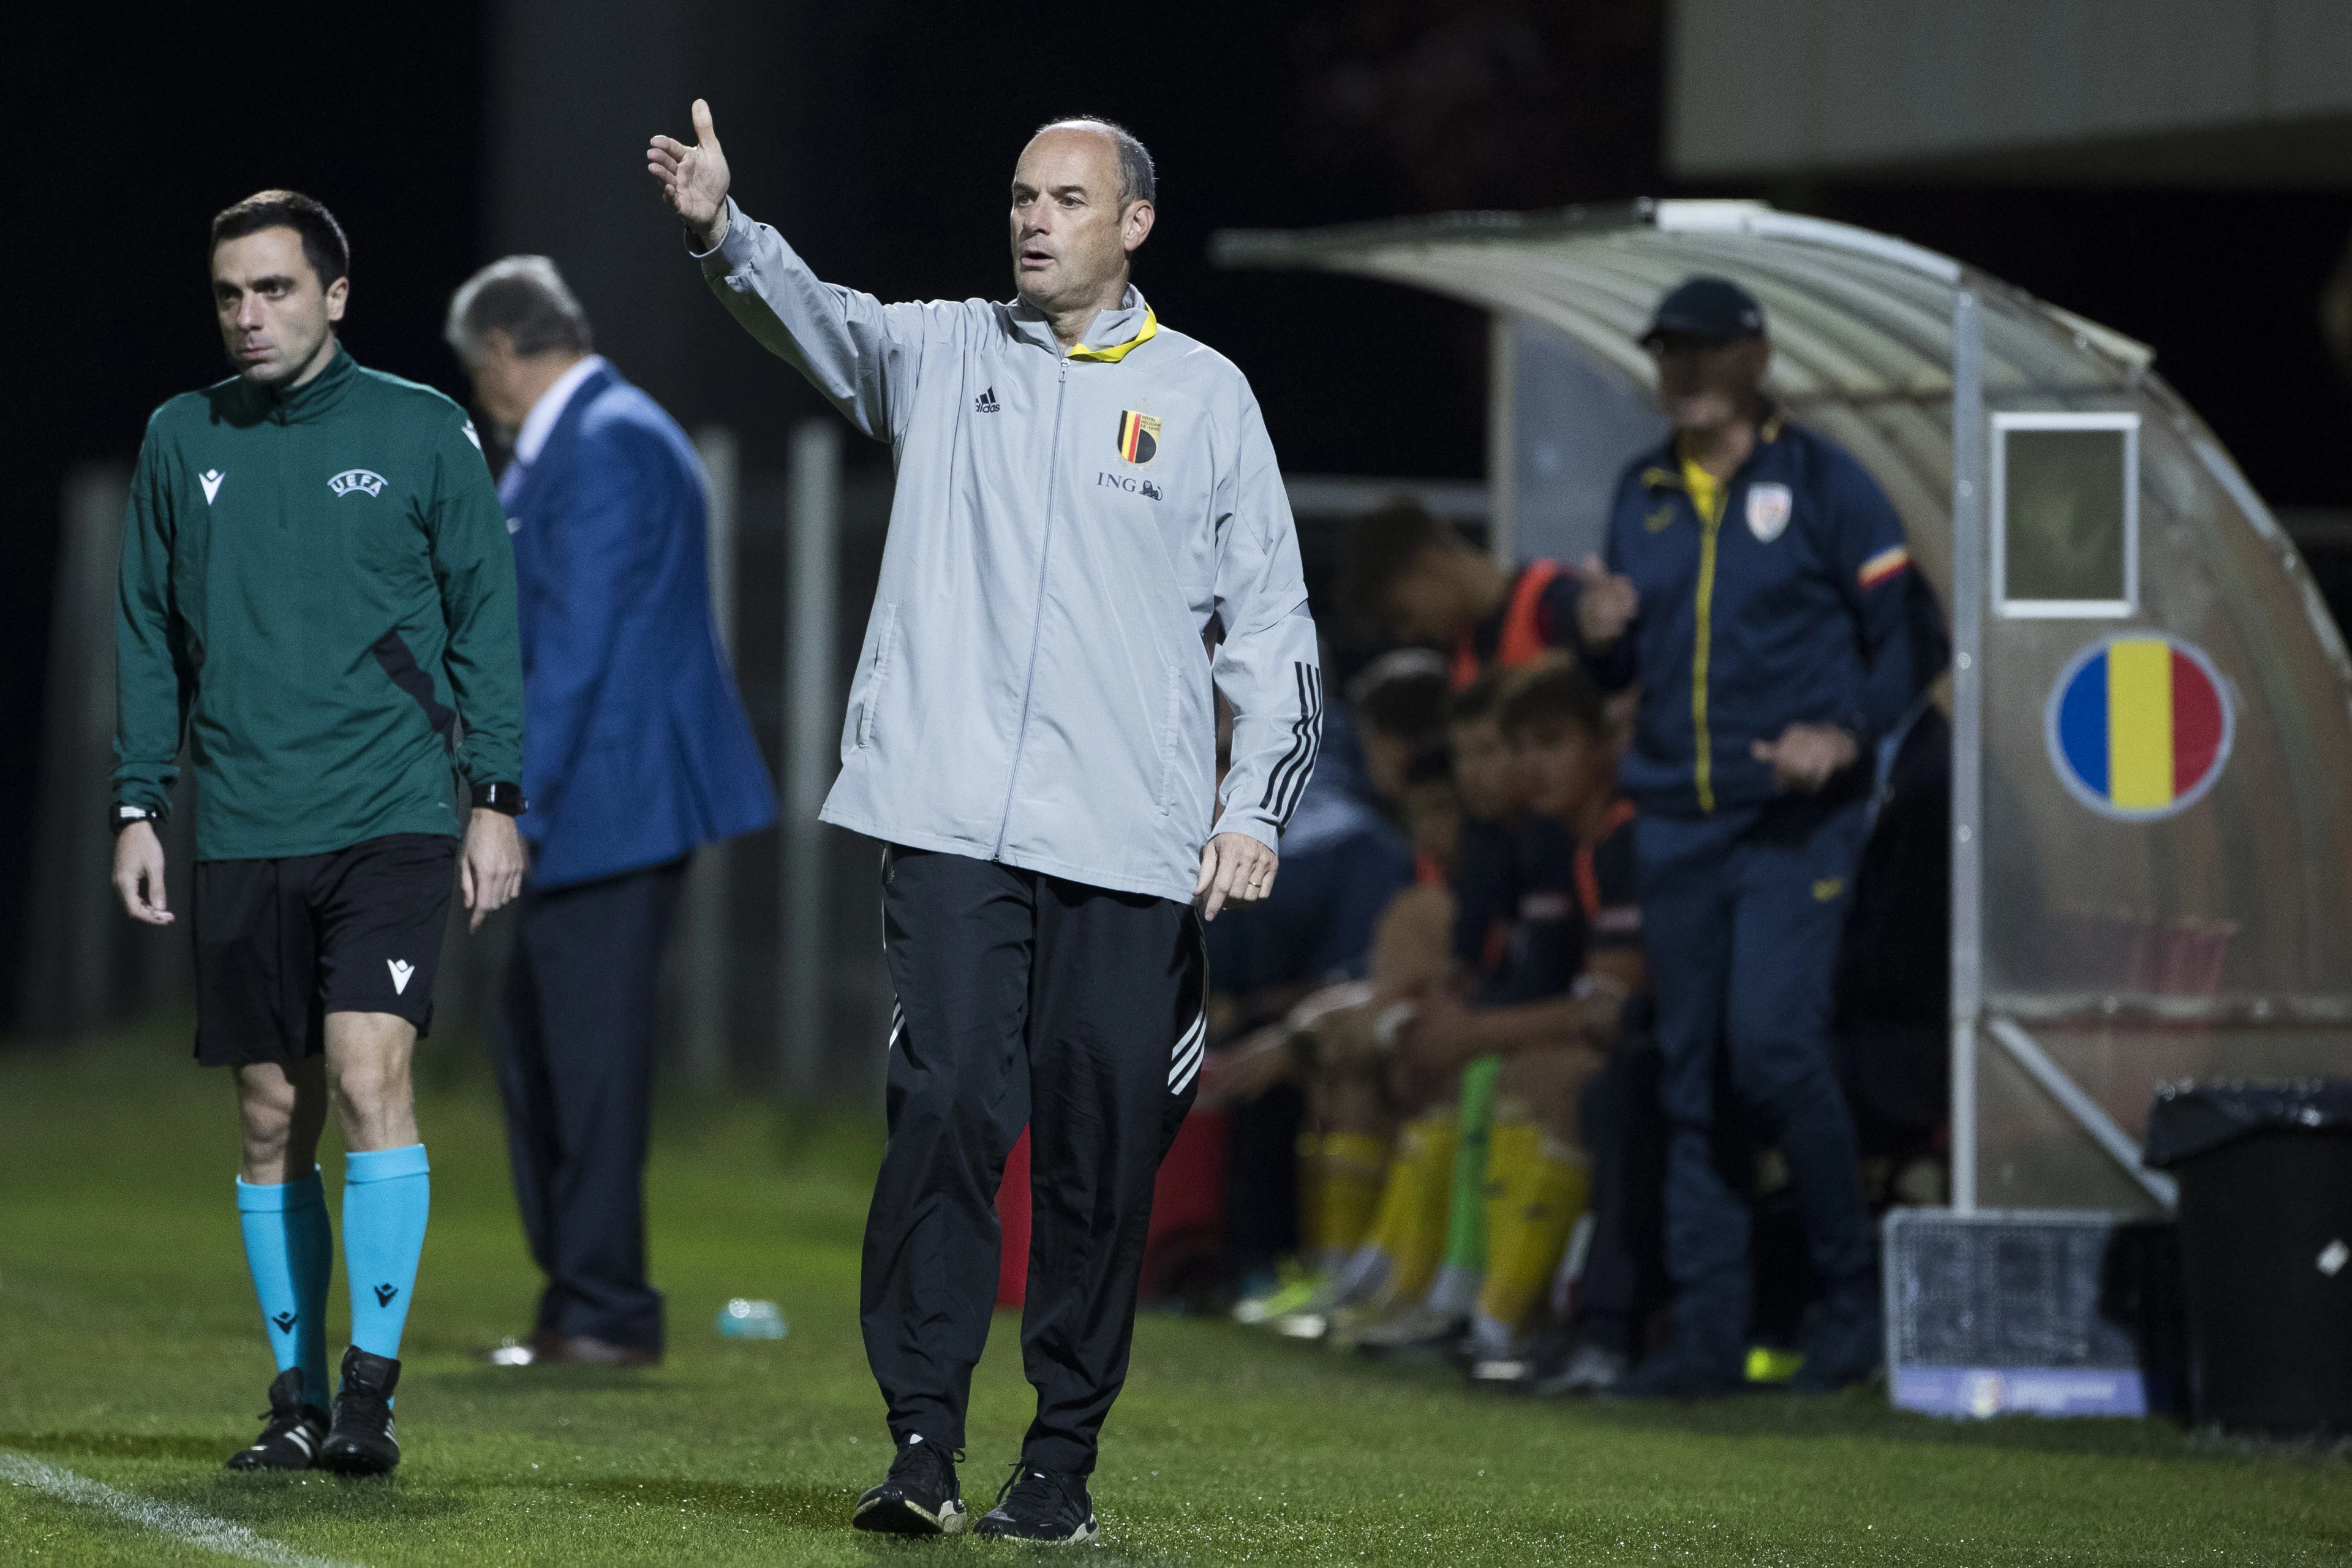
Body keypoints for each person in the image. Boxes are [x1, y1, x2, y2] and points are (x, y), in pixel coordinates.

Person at [649, 104, 1319, 1543]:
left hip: (1132, 846)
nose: (1032, 219)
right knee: (949, 1106)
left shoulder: (1206, 396)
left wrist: (1251, 808)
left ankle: (1058, 1460)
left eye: (1065, 198)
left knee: (1098, 1146)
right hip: (947, 816)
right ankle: (918, 1443)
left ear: (1131, 222)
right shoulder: (944, 352)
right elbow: (814, 320)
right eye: (1020, 193)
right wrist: (722, 229)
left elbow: (1273, 627)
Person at [110, 191, 526, 1474]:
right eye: (232, 293)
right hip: (240, 820)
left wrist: (495, 798)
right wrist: (138, 803)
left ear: (334, 296)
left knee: (366, 1075)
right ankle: (290, 1393)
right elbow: (144, 635)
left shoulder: (422, 430)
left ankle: (369, 1395)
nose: (250, 315)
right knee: (266, 1111)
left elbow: (488, 618)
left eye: (276, 289)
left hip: (389, 815)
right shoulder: (182, 438)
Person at [1575, 275, 1939, 1398]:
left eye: (1700, 349)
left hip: (1793, 824)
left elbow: (1911, 638)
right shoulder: (1639, 491)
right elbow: (1621, 668)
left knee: (1771, 1048)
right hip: (1678, 821)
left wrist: (1847, 734)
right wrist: (1597, 643)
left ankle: (1851, 1308)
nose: (1679, 370)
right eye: (1666, 351)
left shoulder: (1826, 484)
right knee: (1692, 1077)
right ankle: (1708, 1339)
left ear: (1756, 356)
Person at [445, 256, 779, 1368]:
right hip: (596, 796)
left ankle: (606, 1311)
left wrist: (511, 808)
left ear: (500, 353)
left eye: (473, 369)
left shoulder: (604, 443)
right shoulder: (603, 436)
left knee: (581, 1062)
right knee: (544, 1052)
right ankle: (581, 1300)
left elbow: (577, 648)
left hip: (609, 801)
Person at [1335, 497, 1579, 687]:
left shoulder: (1557, 601)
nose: (1407, 636)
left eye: (1401, 615)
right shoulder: (1461, 661)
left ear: (1427, 563)